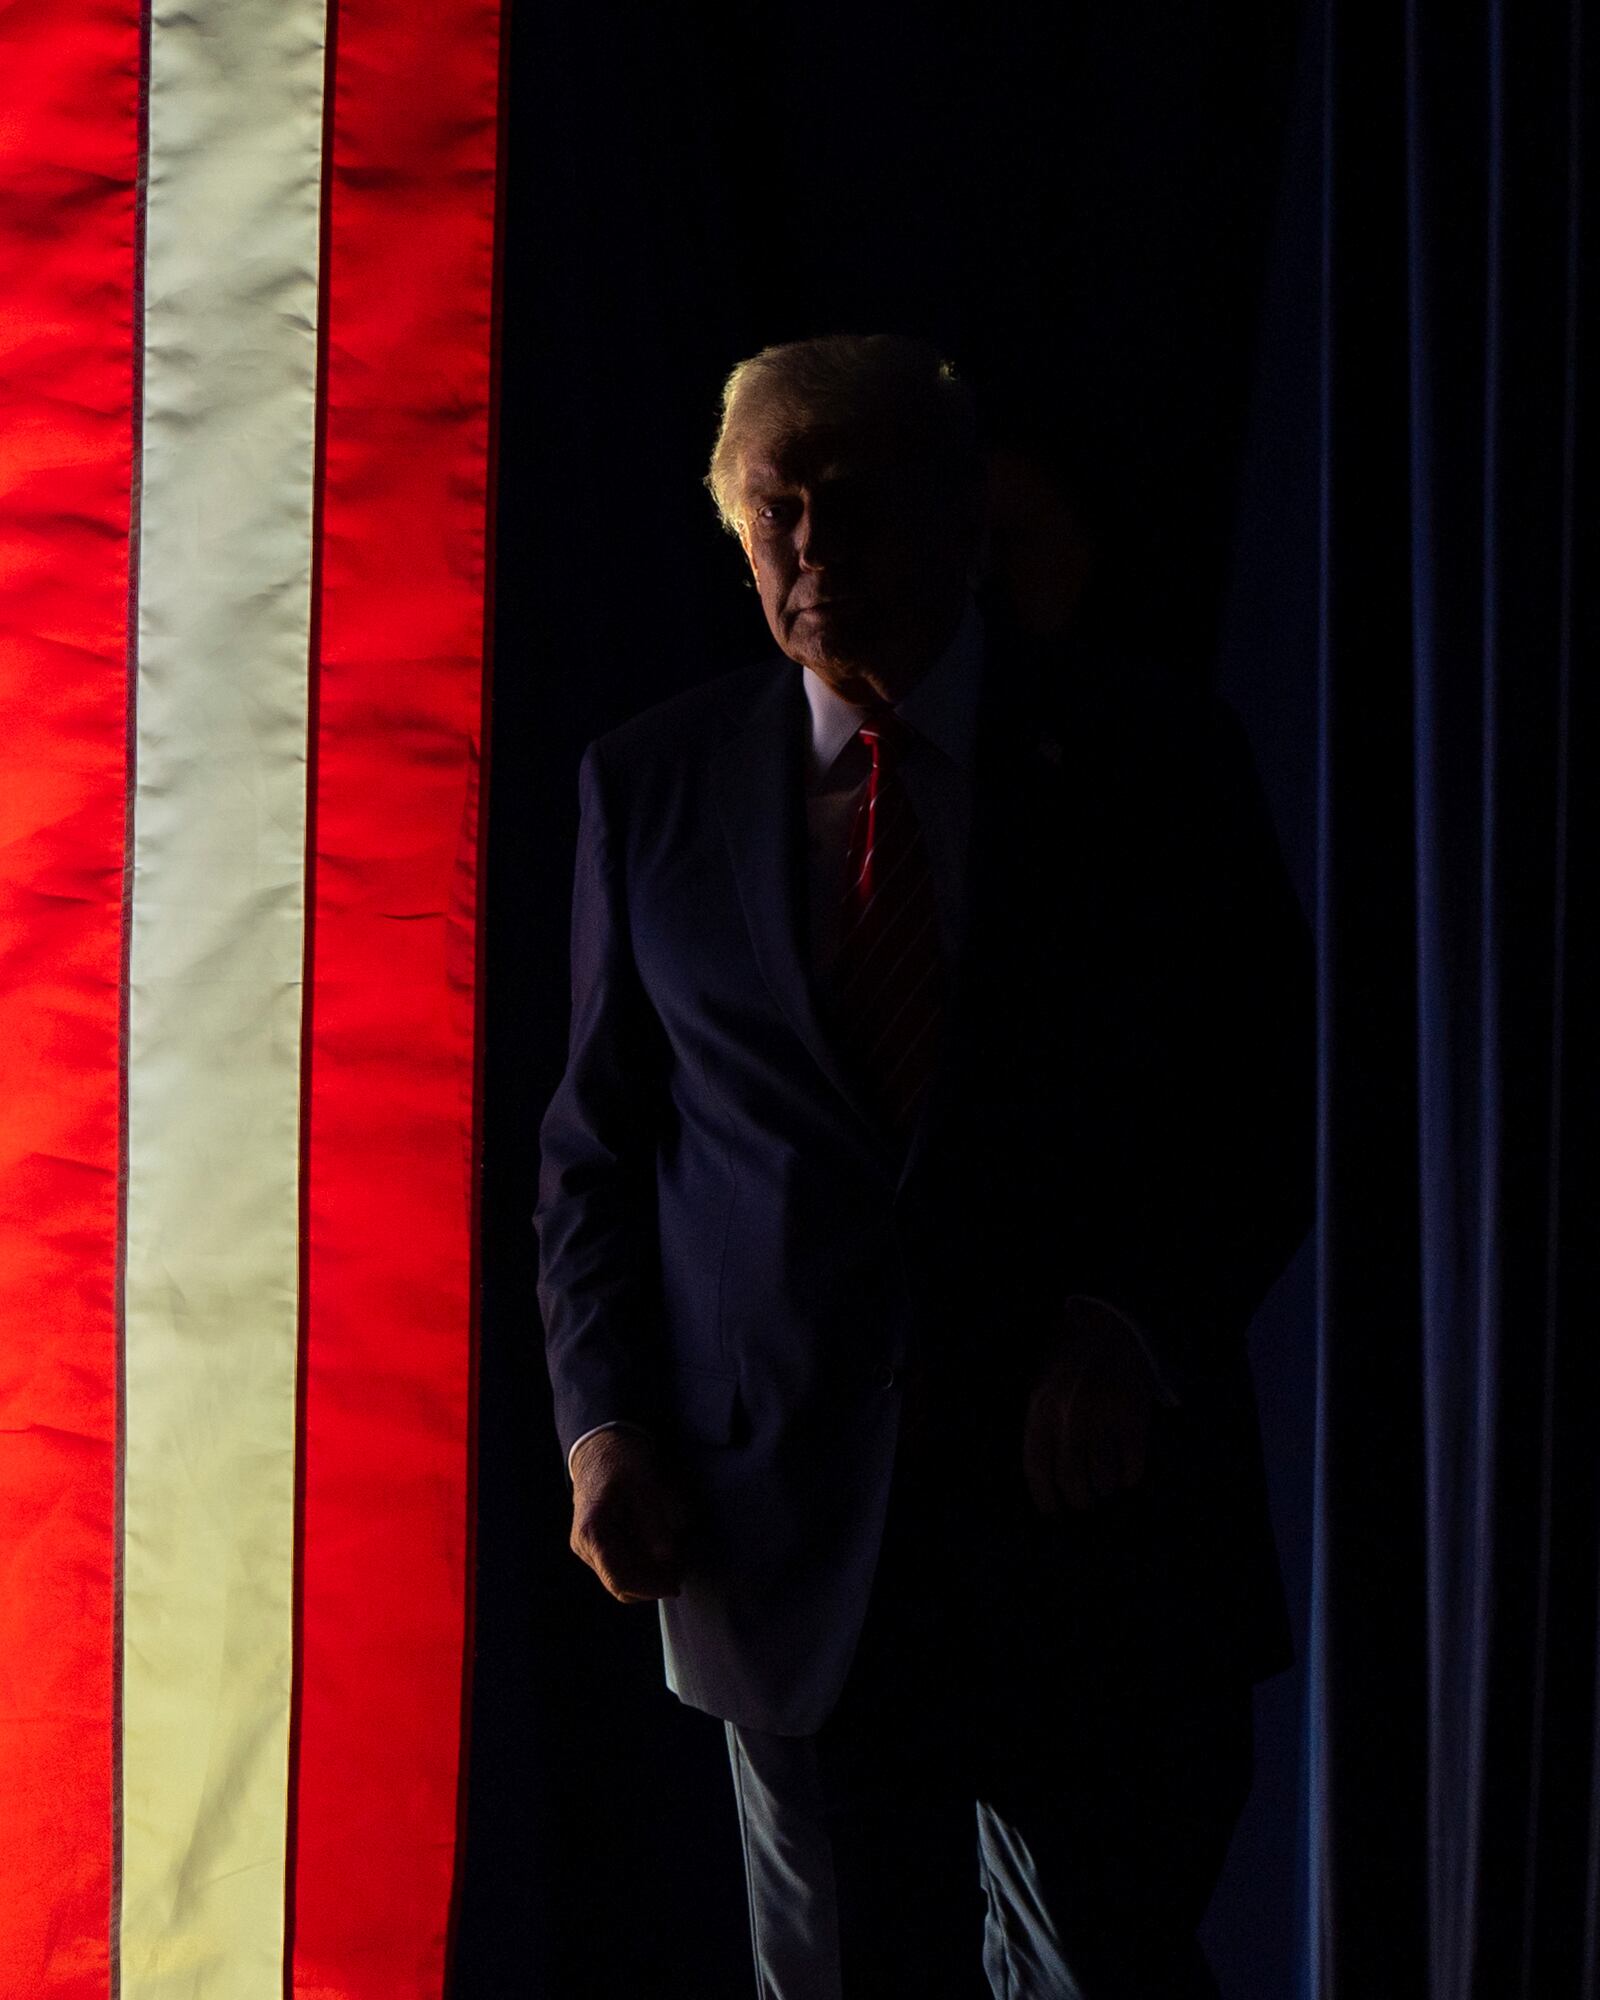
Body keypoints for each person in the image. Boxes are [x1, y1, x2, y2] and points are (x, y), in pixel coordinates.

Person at [535, 334, 1313, 1998]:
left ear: (965, 523)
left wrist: (1125, 1319)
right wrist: (603, 1428)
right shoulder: (650, 786)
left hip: (1090, 1530)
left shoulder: (1153, 760)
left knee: (1102, 1963)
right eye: (775, 515)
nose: (811, 552)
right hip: (781, 1532)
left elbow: (1256, 1106)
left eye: (854, 511)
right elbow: (595, 1154)